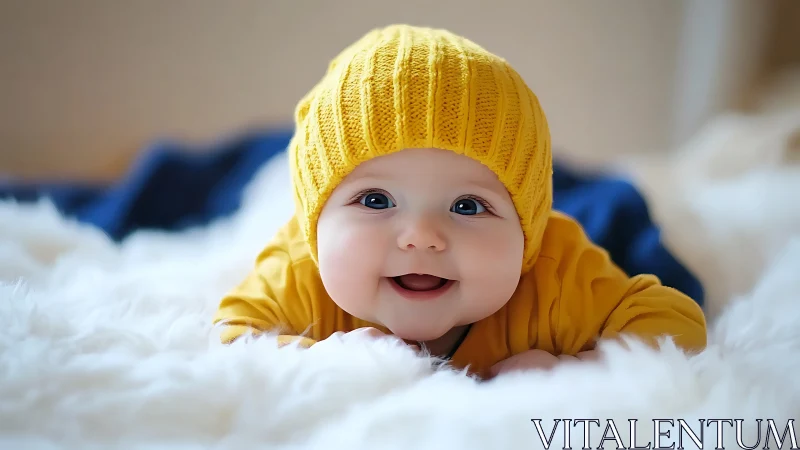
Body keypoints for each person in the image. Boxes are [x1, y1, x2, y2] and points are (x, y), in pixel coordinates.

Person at [211, 24, 707, 380]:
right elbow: (230, 341)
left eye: (468, 206)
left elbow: (675, 323)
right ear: (316, 224)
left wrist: (579, 370)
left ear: (526, 232)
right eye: (376, 199)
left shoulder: (555, 276)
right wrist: (320, 360)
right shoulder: (301, 273)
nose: (421, 236)